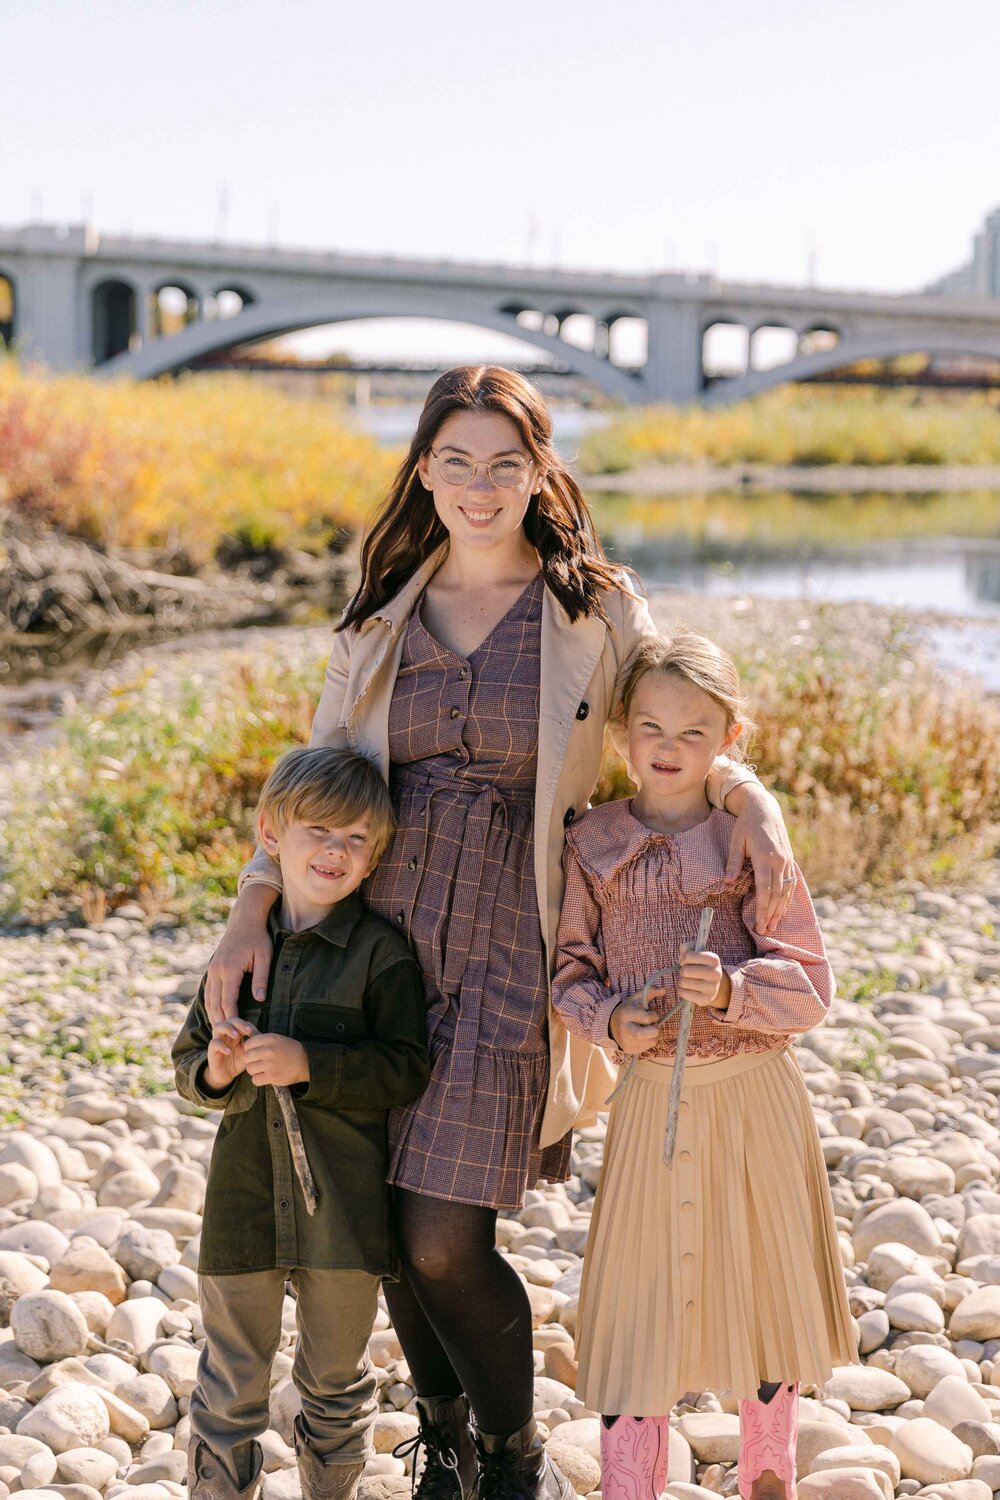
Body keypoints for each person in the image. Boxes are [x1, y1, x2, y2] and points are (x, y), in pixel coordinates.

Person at [204, 366, 799, 1500]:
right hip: (372, 950)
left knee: (442, 1235)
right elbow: (310, 793)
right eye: (456, 462)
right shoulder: (380, 617)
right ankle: (445, 1443)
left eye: (505, 464)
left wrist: (747, 797)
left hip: (511, 948)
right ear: (423, 469)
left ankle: (514, 1458)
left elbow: (674, 721)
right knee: (383, 1221)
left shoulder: (596, 611)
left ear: (540, 472)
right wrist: (249, 912)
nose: (479, 488)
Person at [551, 632, 858, 1500]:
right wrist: (614, 1021)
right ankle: (629, 1488)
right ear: (619, 734)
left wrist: (728, 990)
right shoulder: (590, 845)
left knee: (760, 1295)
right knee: (638, 1308)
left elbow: (811, 986)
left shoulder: (750, 840)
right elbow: (568, 973)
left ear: (729, 739)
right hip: (653, 1101)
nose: (668, 747)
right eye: (649, 726)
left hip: (756, 1096)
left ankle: (769, 1478)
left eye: (694, 732)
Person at [173, 747, 430, 1500]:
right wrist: (217, 1066)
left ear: (375, 854)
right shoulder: (238, 955)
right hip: (242, 1206)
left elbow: (406, 1067)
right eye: (319, 829)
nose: (335, 850)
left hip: (345, 1215)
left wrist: (310, 1063)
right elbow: (189, 1063)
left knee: (334, 1384)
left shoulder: (380, 955)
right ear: (271, 833)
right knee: (230, 1384)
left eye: (356, 839)